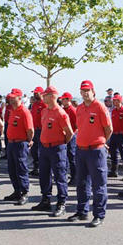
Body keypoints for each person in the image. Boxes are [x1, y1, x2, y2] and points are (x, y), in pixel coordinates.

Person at [68, 80, 112, 227]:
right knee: (81, 183)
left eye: (88, 90)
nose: (85, 93)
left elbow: (109, 129)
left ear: (93, 91)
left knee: (98, 184)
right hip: (81, 150)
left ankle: (99, 214)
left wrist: (101, 141)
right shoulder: (79, 108)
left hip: (96, 150)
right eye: (82, 91)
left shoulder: (99, 107)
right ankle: (82, 211)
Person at [33, 86, 73, 216]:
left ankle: (61, 203)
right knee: (44, 175)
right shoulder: (44, 111)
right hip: (44, 147)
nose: (43, 97)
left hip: (57, 148)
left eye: (45, 95)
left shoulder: (60, 113)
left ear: (52, 96)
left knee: (60, 176)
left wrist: (61, 144)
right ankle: (45, 200)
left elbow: (69, 133)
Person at [4, 88, 34, 205]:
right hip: (11, 143)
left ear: (19, 98)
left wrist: (28, 141)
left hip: (20, 143)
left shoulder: (24, 112)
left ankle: (24, 192)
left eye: (13, 97)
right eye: (10, 98)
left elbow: (30, 130)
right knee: (12, 169)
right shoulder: (13, 110)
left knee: (21, 169)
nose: (11, 100)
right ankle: (17, 191)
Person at [108, 94, 123, 178]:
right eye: (114, 100)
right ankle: (114, 171)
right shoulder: (114, 111)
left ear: (120, 101)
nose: (115, 102)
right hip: (114, 134)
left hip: (122, 135)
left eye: (116, 100)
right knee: (113, 153)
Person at [60, 92, 78, 183]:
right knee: (64, 157)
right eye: (62, 99)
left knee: (71, 157)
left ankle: (74, 177)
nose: (62, 101)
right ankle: (65, 175)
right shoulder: (63, 110)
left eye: (63, 99)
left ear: (68, 100)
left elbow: (77, 125)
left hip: (71, 136)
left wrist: (72, 134)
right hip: (63, 136)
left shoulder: (73, 110)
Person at [29, 87, 46, 176]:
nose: (35, 95)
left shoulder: (45, 104)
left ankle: (41, 168)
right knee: (34, 150)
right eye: (34, 93)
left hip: (41, 130)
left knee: (41, 150)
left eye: (36, 93)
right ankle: (36, 167)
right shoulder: (34, 104)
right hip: (34, 129)